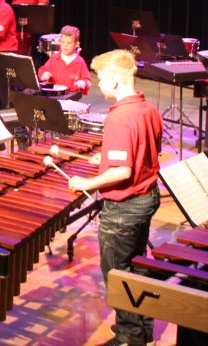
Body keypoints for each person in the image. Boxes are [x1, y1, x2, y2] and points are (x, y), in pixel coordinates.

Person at [65, 49, 162, 346]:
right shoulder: (147, 108)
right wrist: (104, 160)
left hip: (124, 206)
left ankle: (129, 337)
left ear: (114, 80)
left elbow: (122, 171)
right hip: (147, 197)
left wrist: (88, 182)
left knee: (117, 275)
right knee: (137, 268)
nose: (98, 85)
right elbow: (142, 152)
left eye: (100, 80)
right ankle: (143, 332)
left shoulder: (119, 117)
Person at [37, 25, 92, 94]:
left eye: (69, 43)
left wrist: (83, 82)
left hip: (72, 96)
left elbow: (88, 81)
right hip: (55, 95)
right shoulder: (54, 58)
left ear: (76, 44)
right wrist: (45, 73)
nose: (65, 45)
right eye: (63, 42)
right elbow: (43, 70)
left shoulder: (80, 62)